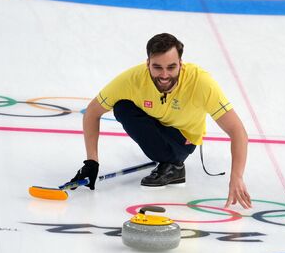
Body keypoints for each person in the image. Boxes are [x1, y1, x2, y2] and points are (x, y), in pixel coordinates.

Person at [68, 33, 252, 209]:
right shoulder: (133, 79)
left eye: (171, 67)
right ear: (147, 63)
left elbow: (237, 130)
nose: (164, 75)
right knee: (122, 107)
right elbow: (92, 112)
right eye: (157, 67)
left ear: (181, 63)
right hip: (157, 126)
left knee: (133, 114)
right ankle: (167, 163)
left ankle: (174, 166)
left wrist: (237, 176)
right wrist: (92, 162)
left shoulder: (200, 82)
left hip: (182, 140)